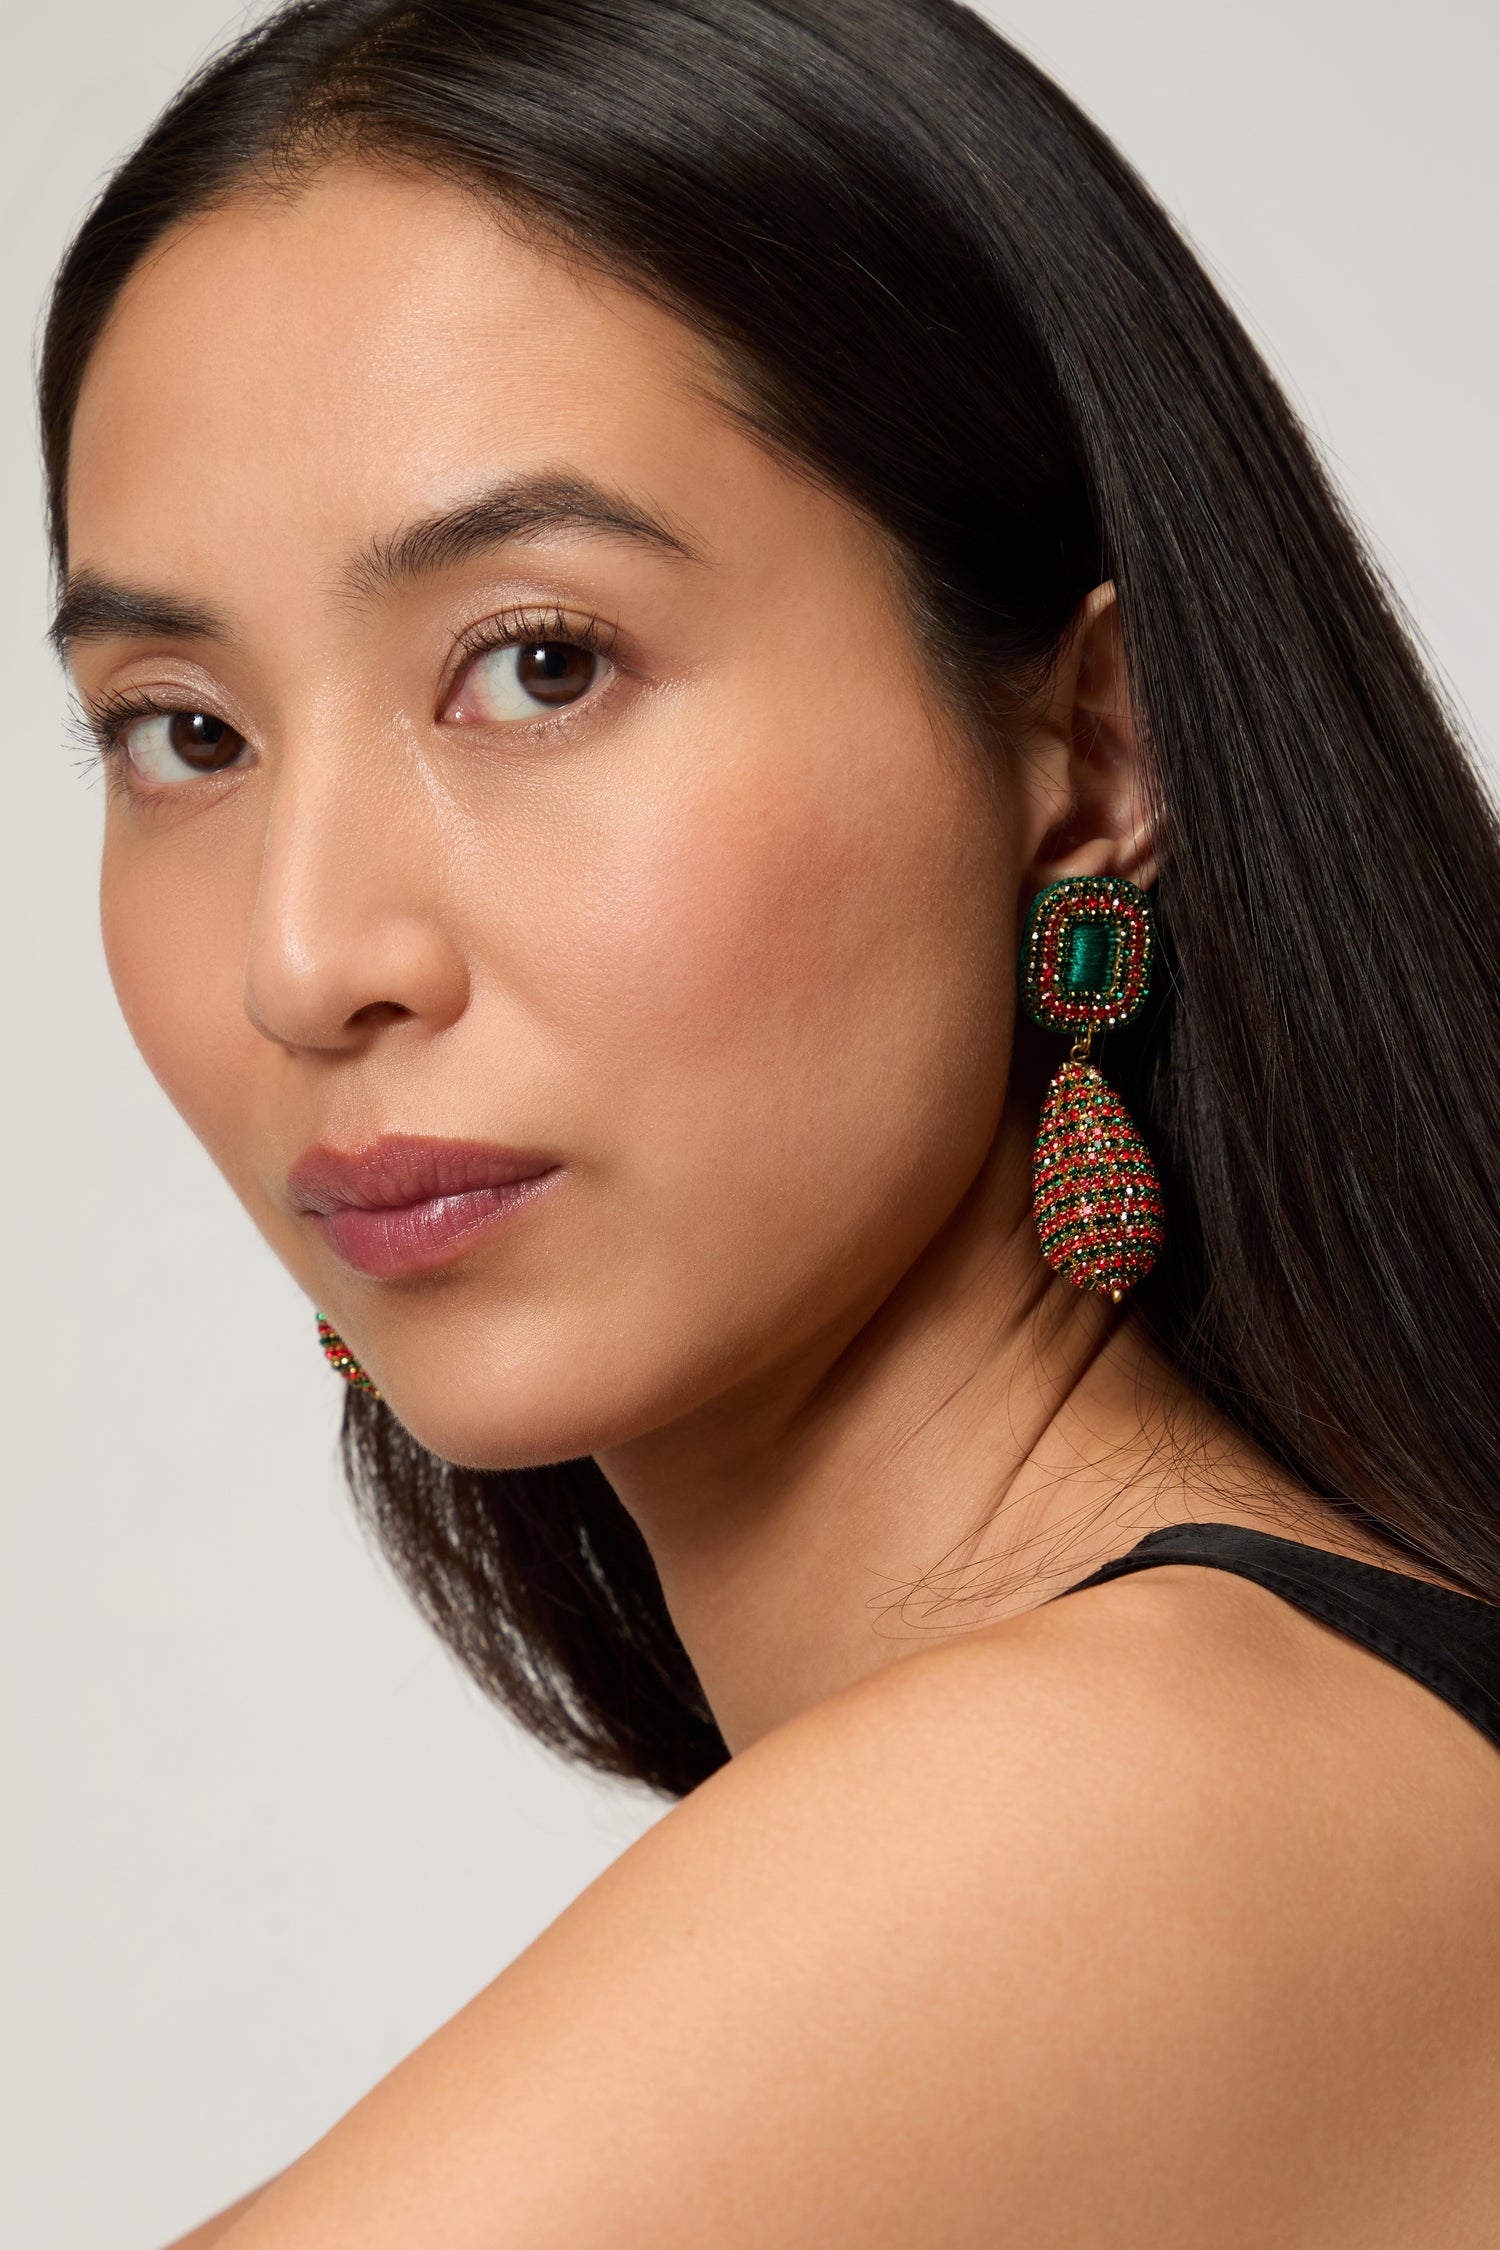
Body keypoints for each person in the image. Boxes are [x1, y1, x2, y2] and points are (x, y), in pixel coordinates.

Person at [41, 0, 1500, 2240]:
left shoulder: (1116, 1815)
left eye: (541, 663)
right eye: (184, 733)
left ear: (1094, 751)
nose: (306, 958)